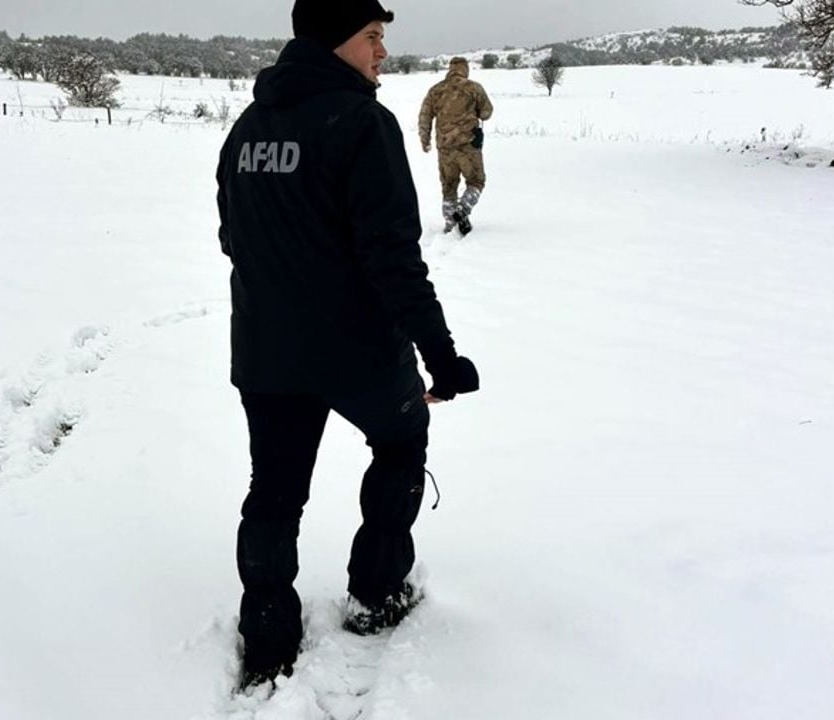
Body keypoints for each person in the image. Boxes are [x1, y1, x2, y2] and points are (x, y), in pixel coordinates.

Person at [215, 0, 480, 691]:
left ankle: (268, 638)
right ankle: (377, 593)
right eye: (372, 37)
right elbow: (393, 256)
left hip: (268, 351)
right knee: (400, 440)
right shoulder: (363, 123)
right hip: (357, 353)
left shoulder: (248, 128)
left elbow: (231, 237)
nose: (382, 52)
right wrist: (441, 357)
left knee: (273, 491)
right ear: (336, 43)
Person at [418, 57, 493, 235]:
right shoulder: (474, 88)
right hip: (469, 146)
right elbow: (486, 112)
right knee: (476, 181)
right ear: (465, 69)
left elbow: (425, 116)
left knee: (448, 185)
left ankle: (450, 223)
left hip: (444, 147)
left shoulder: (435, 90)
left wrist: (425, 139)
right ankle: (463, 209)